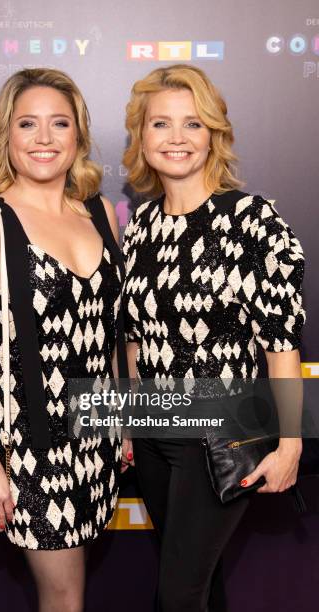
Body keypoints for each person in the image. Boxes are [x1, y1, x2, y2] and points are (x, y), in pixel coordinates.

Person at [121, 64, 305, 611]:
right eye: (161, 124)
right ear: (142, 136)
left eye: (193, 124)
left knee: (177, 594)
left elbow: (280, 339)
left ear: (214, 135)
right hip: (154, 429)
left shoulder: (251, 219)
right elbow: (135, 336)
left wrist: (290, 442)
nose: (177, 137)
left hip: (223, 429)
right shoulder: (142, 224)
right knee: (199, 583)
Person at [0, 68, 127, 612]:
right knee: (64, 595)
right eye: (28, 124)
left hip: (98, 438)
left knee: (75, 587)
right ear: (8, 135)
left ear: (79, 136)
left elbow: (111, 333)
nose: (44, 138)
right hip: (30, 449)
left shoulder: (96, 214)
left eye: (59, 124)